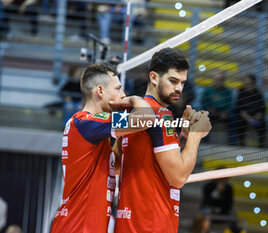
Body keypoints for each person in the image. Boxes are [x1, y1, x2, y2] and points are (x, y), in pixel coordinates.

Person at [114, 48, 212, 233]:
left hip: (129, 224)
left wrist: (183, 135)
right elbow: (178, 178)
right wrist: (195, 135)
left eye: (182, 83)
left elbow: (118, 165)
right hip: (153, 225)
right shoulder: (161, 115)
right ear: (154, 77)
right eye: (173, 81)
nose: (179, 89)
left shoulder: (133, 114)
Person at [50, 63, 155, 233]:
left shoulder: (90, 127)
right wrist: (135, 99)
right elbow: (147, 118)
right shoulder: (87, 122)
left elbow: (114, 166)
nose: (123, 95)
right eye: (118, 89)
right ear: (100, 91)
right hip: (78, 228)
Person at [201, 72, 235, 144]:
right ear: (214, 80)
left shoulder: (228, 91)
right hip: (211, 112)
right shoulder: (208, 90)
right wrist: (209, 109)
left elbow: (230, 104)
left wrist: (225, 112)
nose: (219, 81)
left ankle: (232, 142)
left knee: (234, 118)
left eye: (221, 79)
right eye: (217, 79)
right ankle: (204, 141)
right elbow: (203, 102)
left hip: (223, 113)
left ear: (224, 81)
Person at [235, 74, 266, 147]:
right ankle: (241, 143)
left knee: (262, 123)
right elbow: (239, 109)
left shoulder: (258, 94)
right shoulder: (241, 92)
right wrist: (249, 119)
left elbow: (262, 109)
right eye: (245, 84)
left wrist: (257, 116)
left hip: (255, 117)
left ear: (253, 84)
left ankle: (261, 144)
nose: (246, 86)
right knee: (239, 122)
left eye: (248, 84)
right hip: (245, 117)